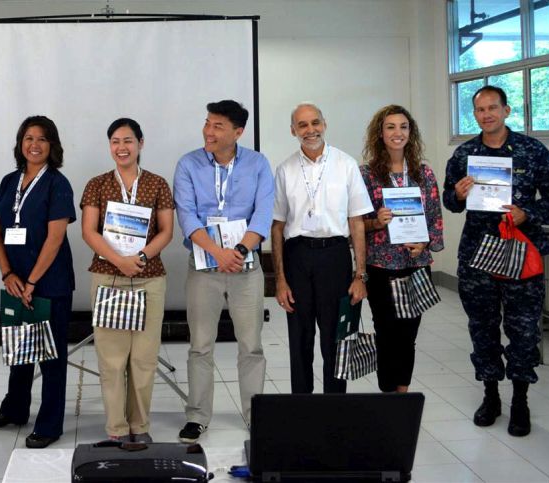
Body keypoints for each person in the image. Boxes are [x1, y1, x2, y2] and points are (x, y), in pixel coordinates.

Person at [442, 86, 549, 437]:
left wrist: (526, 213)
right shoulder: (465, 153)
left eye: (493, 108)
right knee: (482, 329)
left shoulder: (532, 150)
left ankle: (520, 401)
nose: (487, 115)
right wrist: (458, 193)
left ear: (507, 110)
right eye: (480, 110)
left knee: (524, 331)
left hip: (520, 252)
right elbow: (449, 201)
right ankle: (490, 396)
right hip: (478, 255)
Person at [173, 100, 274, 443]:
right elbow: (186, 215)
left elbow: (263, 214)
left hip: (246, 267)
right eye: (207, 123)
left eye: (217, 126)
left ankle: (255, 415)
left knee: (251, 345)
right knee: (200, 345)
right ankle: (198, 416)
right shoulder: (188, 164)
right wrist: (218, 252)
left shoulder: (258, 164)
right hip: (204, 267)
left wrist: (240, 251)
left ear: (238, 132)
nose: (208, 131)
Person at [0, 115, 75, 448]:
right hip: (15, 280)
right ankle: (15, 409)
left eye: (42, 139)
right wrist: (7, 273)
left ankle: (49, 425)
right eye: (28, 138)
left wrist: (32, 281)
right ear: (20, 144)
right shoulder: (9, 181)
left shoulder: (57, 183)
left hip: (49, 283)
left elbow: (55, 238)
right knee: (20, 351)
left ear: (53, 146)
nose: (34, 145)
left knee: (51, 358)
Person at [81, 118, 174, 443]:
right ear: (110, 146)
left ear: (141, 143)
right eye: (116, 141)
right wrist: (120, 260)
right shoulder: (97, 184)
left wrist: (142, 258)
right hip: (108, 278)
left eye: (128, 141)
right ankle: (117, 428)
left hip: (149, 278)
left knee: (144, 358)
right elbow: (88, 231)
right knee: (111, 357)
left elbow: (166, 231)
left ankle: (140, 426)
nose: (122, 147)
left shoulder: (158, 184)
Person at [271, 102, 373, 395]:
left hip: (335, 256)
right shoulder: (285, 170)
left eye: (315, 123)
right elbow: (277, 226)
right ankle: (302, 405)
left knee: (335, 338)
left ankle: (334, 407)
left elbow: (356, 222)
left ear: (324, 124)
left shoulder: (346, 164)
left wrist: (360, 275)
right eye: (302, 125)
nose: (310, 130)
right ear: (293, 130)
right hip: (298, 256)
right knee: (300, 339)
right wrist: (280, 279)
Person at [359, 105, 444, 393]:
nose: (398, 133)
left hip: (415, 264)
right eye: (391, 127)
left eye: (404, 126)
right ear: (380, 134)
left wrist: (426, 242)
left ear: (411, 132)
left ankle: (402, 394)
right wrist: (375, 222)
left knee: (408, 334)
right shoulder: (367, 175)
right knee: (386, 333)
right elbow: (355, 225)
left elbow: (435, 218)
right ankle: (387, 393)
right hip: (381, 266)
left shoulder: (424, 173)